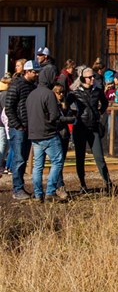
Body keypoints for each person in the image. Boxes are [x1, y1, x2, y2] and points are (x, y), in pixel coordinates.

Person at [26, 65, 69, 201]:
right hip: (48, 134)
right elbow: (54, 116)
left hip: (34, 134)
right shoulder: (49, 94)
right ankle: (50, 191)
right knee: (57, 161)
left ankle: (38, 194)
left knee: (38, 166)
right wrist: (69, 119)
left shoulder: (32, 94)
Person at [67, 67, 112, 193]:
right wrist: (72, 115)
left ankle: (108, 183)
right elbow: (66, 104)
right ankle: (82, 185)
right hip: (80, 128)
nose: (93, 79)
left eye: (93, 76)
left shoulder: (97, 91)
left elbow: (104, 102)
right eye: (89, 77)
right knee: (80, 158)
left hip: (93, 128)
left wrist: (99, 112)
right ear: (82, 78)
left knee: (99, 158)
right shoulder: (75, 92)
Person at [6, 61, 38, 200]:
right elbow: (9, 107)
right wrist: (17, 125)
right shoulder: (16, 86)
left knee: (23, 159)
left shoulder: (33, 87)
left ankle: (20, 187)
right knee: (18, 159)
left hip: (28, 127)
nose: (37, 74)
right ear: (27, 71)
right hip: (18, 128)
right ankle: (17, 189)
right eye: (34, 72)